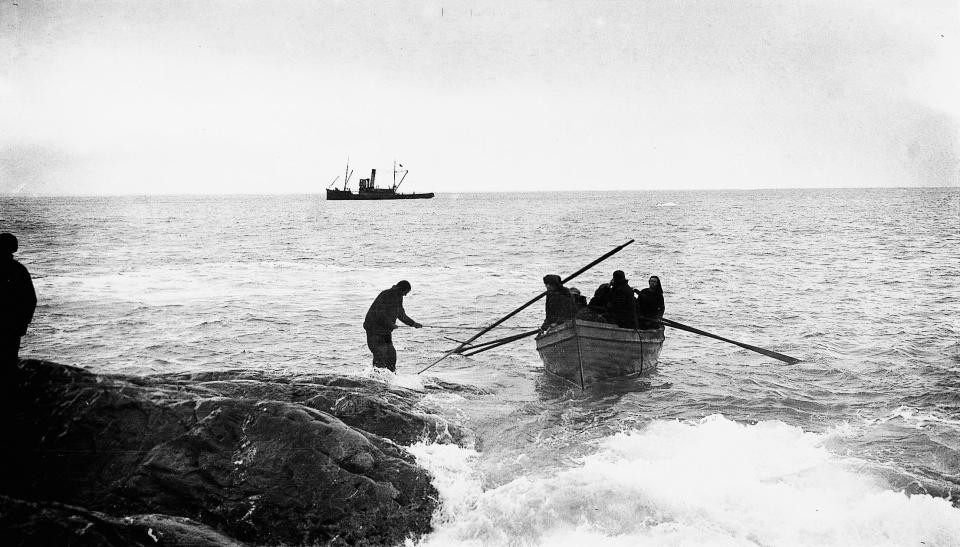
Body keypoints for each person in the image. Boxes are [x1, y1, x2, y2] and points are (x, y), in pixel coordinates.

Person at [362, 280, 422, 372]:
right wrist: (390, 324)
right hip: (373, 329)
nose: (405, 295)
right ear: (400, 289)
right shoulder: (385, 294)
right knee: (380, 354)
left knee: (391, 355)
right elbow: (379, 313)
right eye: (405, 293)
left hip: (385, 331)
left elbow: (401, 314)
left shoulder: (399, 297)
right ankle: (376, 377)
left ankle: (391, 378)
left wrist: (413, 323)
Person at [0, 233, 37, 368]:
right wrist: (23, 324)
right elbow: (30, 300)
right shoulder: (19, 270)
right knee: (9, 363)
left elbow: (30, 300)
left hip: (11, 326)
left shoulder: (18, 270)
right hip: (12, 326)